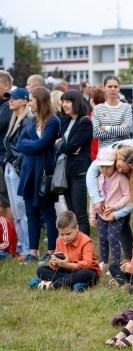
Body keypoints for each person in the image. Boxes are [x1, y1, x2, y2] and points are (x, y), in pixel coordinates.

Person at [86, 139, 133, 260]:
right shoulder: (110, 154)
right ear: (116, 159)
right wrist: (97, 199)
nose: (119, 171)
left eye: (124, 170)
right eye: (118, 166)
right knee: (123, 222)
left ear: (132, 169)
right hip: (118, 191)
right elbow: (90, 174)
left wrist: (117, 213)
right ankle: (130, 257)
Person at [16, 86, 61, 264]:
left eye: (32, 100)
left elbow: (41, 145)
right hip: (28, 172)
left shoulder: (53, 121)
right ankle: (32, 253)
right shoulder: (31, 120)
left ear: (40, 101)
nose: (29, 103)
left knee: (48, 213)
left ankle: (51, 251)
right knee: (31, 213)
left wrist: (32, 143)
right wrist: (34, 144)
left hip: (44, 173)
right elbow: (20, 144)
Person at [31, 211, 101, 291]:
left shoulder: (86, 241)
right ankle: (75, 283)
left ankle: (53, 285)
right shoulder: (59, 240)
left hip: (87, 271)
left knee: (84, 274)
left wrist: (67, 264)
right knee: (41, 270)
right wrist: (54, 263)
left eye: (68, 234)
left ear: (77, 228)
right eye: (62, 234)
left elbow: (87, 264)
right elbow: (56, 261)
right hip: (67, 271)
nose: (65, 238)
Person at [56, 90, 93, 236]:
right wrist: (60, 145)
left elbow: (71, 146)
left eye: (68, 101)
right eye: (63, 101)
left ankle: (86, 248)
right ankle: (73, 247)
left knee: (80, 214)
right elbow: (59, 144)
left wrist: (62, 145)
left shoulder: (84, 122)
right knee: (71, 213)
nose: (64, 105)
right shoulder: (65, 120)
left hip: (78, 171)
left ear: (76, 102)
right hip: (66, 170)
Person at [89, 148, 130, 270]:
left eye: (107, 166)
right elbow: (94, 196)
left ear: (114, 165)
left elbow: (127, 196)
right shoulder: (99, 178)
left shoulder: (121, 178)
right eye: (101, 167)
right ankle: (103, 262)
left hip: (116, 214)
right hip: (101, 214)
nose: (104, 169)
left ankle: (115, 263)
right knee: (102, 238)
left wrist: (115, 207)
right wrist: (92, 215)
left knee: (112, 238)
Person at [4, 87, 31, 259]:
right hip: (10, 167)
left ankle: (27, 249)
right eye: (9, 98)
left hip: (17, 169)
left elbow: (24, 147)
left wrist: (15, 164)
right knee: (16, 212)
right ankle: (21, 247)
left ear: (24, 100)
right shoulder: (15, 119)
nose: (10, 100)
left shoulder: (27, 120)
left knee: (22, 211)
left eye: (14, 98)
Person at [92, 75, 132, 149]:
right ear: (104, 88)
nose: (113, 89)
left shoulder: (126, 107)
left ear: (119, 88)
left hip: (122, 152)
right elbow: (95, 133)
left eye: (115, 86)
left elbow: (127, 130)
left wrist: (105, 128)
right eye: (110, 86)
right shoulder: (98, 108)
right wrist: (119, 130)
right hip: (104, 153)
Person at [0, 71, 14, 226]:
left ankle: (8, 238)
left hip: (3, 158)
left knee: (5, 201)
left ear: (6, 85)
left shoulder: (8, 106)